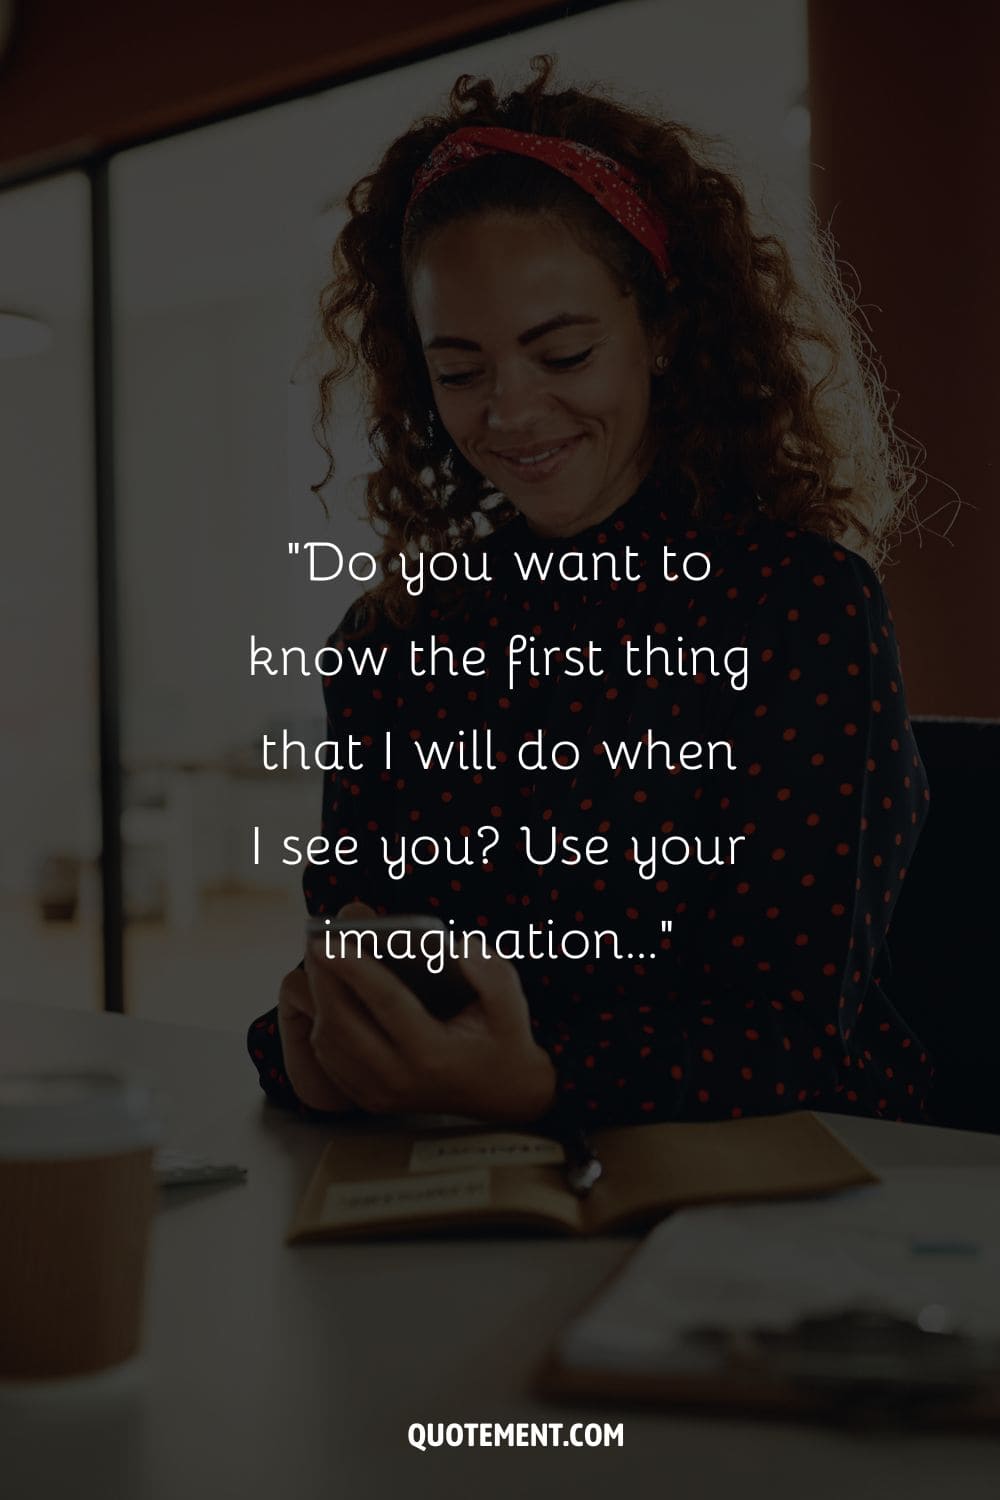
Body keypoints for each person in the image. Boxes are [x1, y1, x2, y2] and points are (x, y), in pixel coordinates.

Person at [247, 58, 932, 1130]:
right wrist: (325, 1043)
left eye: (561, 352)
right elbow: (370, 970)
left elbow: (789, 1037)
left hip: (775, 1177)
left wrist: (537, 1082)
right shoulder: (391, 640)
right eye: (461, 371)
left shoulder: (796, 607)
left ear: (662, 333)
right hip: (471, 1167)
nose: (511, 413)